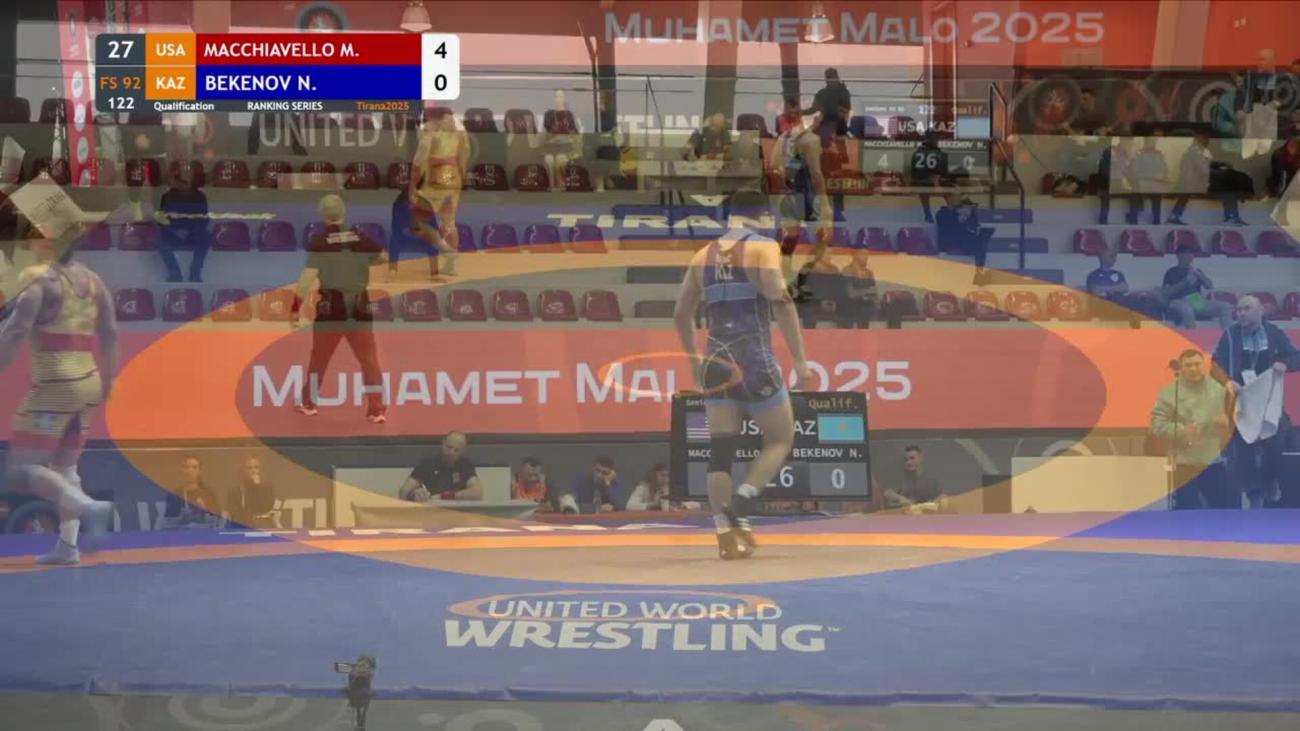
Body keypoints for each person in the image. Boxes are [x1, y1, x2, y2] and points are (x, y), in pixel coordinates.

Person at [673, 226, 812, 559]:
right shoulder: (763, 248)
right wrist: (800, 361)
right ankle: (742, 500)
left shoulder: (702, 256)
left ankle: (724, 533)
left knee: (721, 450)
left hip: (716, 361)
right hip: (754, 359)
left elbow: (680, 314)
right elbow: (780, 299)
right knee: (780, 439)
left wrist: (694, 361)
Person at [0, 225, 116, 565]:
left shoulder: (39, 280)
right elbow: (110, 332)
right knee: (64, 468)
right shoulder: (93, 281)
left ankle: (88, 507)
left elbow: (15, 332)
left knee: (21, 469)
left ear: (47, 244)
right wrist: (110, 379)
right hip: (89, 381)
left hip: (56, 383)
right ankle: (68, 546)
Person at [293, 194, 388, 423]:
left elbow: (307, 279)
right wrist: (363, 261)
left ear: (322, 215)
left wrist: (295, 308)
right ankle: (376, 409)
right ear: (344, 212)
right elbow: (383, 257)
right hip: (360, 307)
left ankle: (308, 403)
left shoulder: (319, 241)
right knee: (369, 360)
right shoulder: (360, 237)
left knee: (319, 359)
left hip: (331, 310)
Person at [1212, 295, 1300, 508]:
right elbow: (1214, 366)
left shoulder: (1274, 333)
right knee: (1243, 442)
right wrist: (1227, 381)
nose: (1241, 313)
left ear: (1260, 311)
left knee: (1277, 435)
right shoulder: (1230, 335)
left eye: (1247, 309)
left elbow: (1296, 357)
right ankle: (1254, 492)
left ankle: (1270, 481)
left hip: (1268, 401)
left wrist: (1284, 363)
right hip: (1240, 399)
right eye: (1239, 309)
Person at [1150, 350, 1232, 509]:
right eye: (1188, 365)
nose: (1193, 368)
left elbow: (1232, 420)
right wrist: (1182, 430)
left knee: (1221, 512)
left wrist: (1225, 423)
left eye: (1197, 364)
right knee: (1187, 512)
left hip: (1213, 461)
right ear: (1181, 368)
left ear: (1203, 365)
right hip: (1183, 464)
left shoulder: (1218, 389)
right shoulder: (1168, 393)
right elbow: (1157, 426)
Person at [772, 112, 833, 286]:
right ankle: (803, 276)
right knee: (825, 236)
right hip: (807, 198)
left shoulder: (784, 137)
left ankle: (785, 283)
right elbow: (816, 174)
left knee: (789, 243)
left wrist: (787, 182)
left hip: (788, 196)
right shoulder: (811, 140)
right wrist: (824, 202)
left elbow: (774, 165)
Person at [409, 109, 465, 276]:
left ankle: (446, 250)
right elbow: (463, 159)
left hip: (434, 186)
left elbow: (418, 163)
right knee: (449, 224)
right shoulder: (457, 136)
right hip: (453, 183)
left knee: (417, 222)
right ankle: (451, 265)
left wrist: (412, 186)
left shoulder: (429, 135)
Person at [1167, 131, 1247, 226]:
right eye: (1205, 140)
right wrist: (1223, 173)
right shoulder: (1195, 153)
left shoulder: (1192, 152)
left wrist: (1221, 164)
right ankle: (1230, 217)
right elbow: (1205, 170)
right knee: (1229, 191)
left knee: (1228, 189)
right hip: (1198, 186)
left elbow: (1206, 164)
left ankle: (1174, 216)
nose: (1207, 143)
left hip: (1192, 185)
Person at [155, 165, 211, 283]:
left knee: (206, 237)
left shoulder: (200, 197)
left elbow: (204, 219)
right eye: (181, 181)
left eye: (186, 182)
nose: (184, 184)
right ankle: (174, 273)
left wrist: (190, 231)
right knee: (159, 240)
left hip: (193, 234)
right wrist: (175, 231)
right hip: (172, 234)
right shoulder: (167, 197)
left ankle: (195, 271)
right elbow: (161, 219)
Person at [1161, 244, 1232, 328]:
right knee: (1187, 310)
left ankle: (1228, 335)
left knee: (1225, 307)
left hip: (1195, 299)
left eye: (1191, 254)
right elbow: (1166, 293)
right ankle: (1193, 335)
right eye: (1186, 253)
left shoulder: (1196, 271)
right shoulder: (1171, 272)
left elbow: (1210, 286)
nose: (1190, 256)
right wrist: (1185, 281)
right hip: (1177, 300)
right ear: (1178, 256)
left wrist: (1199, 275)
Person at [400, 431, 483, 501]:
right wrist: (413, 496)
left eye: (456, 450)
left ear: (462, 451)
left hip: (457, 512)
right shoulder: (428, 463)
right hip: (431, 511)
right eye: (449, 447)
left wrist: (443, 496)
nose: (451, 453)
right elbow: (404, 491)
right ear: (443, 443)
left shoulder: (465, 465)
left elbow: (477, 492)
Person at [1084, 247, 1163, 321]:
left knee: (1148, 300)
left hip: (1121, 300)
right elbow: (1095, 290)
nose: (1114, 258)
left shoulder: (1118, 273)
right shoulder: (1093, 275)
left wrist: (1106, 289)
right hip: (1106, 303)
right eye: (1111, 256)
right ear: (1101, 257)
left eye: (1114, 256)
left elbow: (1124, 287)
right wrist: (1116, 288)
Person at [935, 192, 994, 285]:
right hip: (951, 241)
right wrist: (961, 218)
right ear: (949, 198)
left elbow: (974, 225)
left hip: (963, 240)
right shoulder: (941, 213)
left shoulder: (963, 211)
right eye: (957, 196)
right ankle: (979, 273)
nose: (960, 198)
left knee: (981, 239)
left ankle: (979, 273)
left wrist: (970, 215)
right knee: (978, 243)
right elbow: (948, 228)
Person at [882, 445, 948, 514]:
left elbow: (943, 495)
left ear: (921, 458)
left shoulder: (932, 478)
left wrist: (935, 503)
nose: (908, 462)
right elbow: (887, 492)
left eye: (912, 458)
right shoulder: (902, 477)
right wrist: (901, 499)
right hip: (906, 515)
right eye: (906, 459)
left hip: (928, 515)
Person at [164, 454, 223, 527]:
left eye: (194, 467)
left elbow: (217, 520)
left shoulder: (208, 494)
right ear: (181, 470)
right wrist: (182, 518)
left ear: (200, 472)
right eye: (186, 467)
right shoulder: (175, 494)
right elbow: (167, 522)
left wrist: (205, 510)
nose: (190, 470)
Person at [1129, 131, 1168, 225]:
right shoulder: (1138, 154)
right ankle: (1133, 221)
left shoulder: (1159, 154)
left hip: (1154, 184)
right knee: (1134, 194)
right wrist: (1148, 176)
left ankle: (1156, 221)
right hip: (1142, 183)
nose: (1153, 142)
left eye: (1154, 141)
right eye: (1151, 141)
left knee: (1157, 196)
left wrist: (1162, 175)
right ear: (1145, 142)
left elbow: (1165, 169)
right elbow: (1134, 170)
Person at [910, 129, 948, 223]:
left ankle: (950, 212)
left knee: (951, 187)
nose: (936, 140)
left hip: (933, 181)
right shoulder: (937, 154)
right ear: (927, 139)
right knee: (924, 188)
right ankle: (928, 214)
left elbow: (944, 171)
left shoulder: (918, 152)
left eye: (936, 138)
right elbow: (914, 173)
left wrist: (938, 179)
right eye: (934, 138)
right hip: (924, 182)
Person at [229, 456, 277, 529]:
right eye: (249, 468)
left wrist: (257, 487)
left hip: (264, 527)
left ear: (260, 469)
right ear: (244, 470)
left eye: (256, 467)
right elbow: (235, 512)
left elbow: (266, 507)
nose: (253, 470)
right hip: (244, 527)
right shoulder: (235, 490)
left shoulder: (268, 488)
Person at [839, 248, 877, 328]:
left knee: (867, 308)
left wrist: (867, 294)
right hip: (849, 305)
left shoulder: (869, 273)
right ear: (854, 255)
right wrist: (867, 292)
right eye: (863, 254)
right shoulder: (847, 271)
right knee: (859, 309)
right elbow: (851, 294)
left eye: (867, 254)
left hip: (865, 305)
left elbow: (874, 293)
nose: (866, 257)